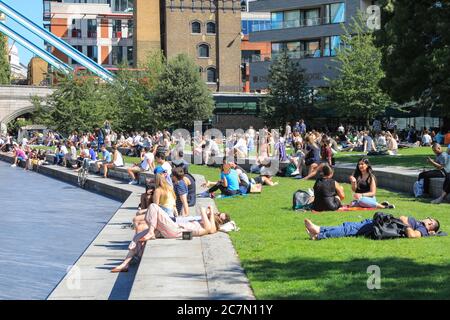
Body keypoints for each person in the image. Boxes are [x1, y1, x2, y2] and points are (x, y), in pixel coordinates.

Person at [111, 205, 230, 272]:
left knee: (153, 206)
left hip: (175, 230)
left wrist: (207, 212)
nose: (216, 213)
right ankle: (125, 264)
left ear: (218, 220)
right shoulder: (205, 223)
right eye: (218, 213)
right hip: (176, 230)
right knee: (138, 235)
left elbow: (210, 228)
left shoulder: (210, 227)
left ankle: (151, 232)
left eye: (219, 215)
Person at [304, 216, 440, 240]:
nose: (427, 220)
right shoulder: (420, 224)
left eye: (431, 221)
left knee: (350, 230)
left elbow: (412, 236)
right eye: (429, 218)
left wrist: (405, 222)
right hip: (385, 222)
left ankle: (319, 233)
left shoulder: (422, 229)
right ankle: (319, 231)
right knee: (348, 226)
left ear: (430, 227)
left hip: (384, 227)